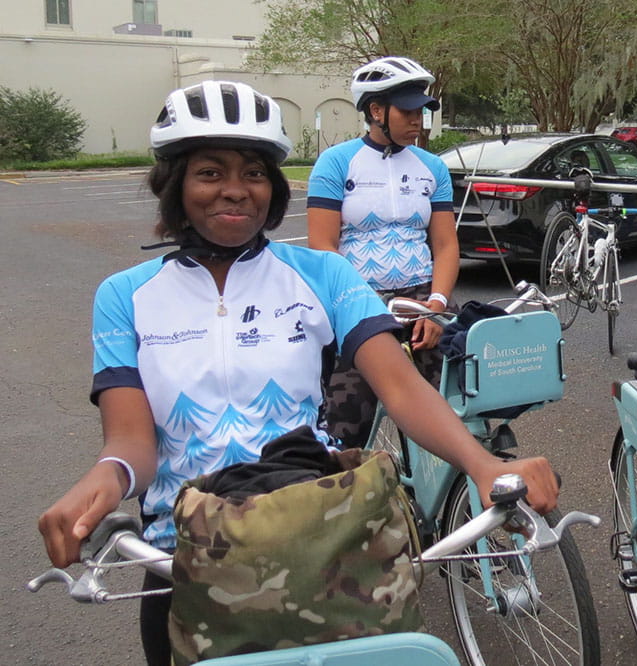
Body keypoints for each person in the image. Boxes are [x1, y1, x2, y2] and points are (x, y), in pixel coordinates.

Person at [37, 80, 558, 666]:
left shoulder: (324, 274)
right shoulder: (125, 296)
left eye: (254, 173)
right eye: (210, 172)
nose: (235, 190)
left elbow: (401, 387)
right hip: (185, 561)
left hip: (322, 552)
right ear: (175, 184)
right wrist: (101, 483)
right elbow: (131, 443)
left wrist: (483, 463)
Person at [307, 56, 459, 448]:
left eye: (422, 111)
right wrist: (361, 307)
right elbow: (322, 246)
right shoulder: (336, 163)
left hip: (422, 300)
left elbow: (444, 245)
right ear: (375, 111)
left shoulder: (432, 167)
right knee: (346, 429)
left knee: (453, 419)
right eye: (407, 111)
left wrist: (437, 305)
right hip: (357, 303)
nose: (418, 121)